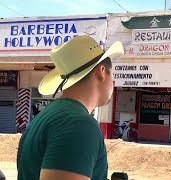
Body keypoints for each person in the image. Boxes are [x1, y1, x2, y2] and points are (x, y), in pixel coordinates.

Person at [17, 35, 124, 180]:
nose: (114, 81)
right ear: (101, 72)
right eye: (112, 75)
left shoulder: (46, 116)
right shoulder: (79, 124)